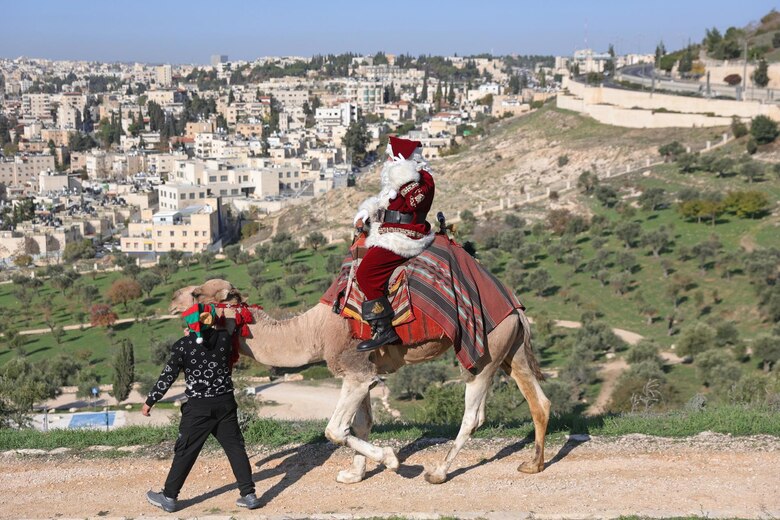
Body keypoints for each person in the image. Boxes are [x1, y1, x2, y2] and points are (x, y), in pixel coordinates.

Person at [143, 303, 261, 513]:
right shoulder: (224, 339)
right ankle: (249, 495)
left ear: (190, 325)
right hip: (225, 404)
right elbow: (223, 329)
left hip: (198, 409)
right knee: (235, 448)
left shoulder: (183, 345)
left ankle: (169, 497)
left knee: (185, 451)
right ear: (212, 320)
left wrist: (151, 400)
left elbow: (167, 376)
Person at [352, 136, 435, 352]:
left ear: (403, 159)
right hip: (387, 231)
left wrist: (402, 174)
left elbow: (414, 202)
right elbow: (387, 207)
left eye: (392, 157)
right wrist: (367, 211)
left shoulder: (422, 179)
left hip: (405, 237)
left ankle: (384, 328)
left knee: (366, 273)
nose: (387, 160)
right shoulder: (396, 182)